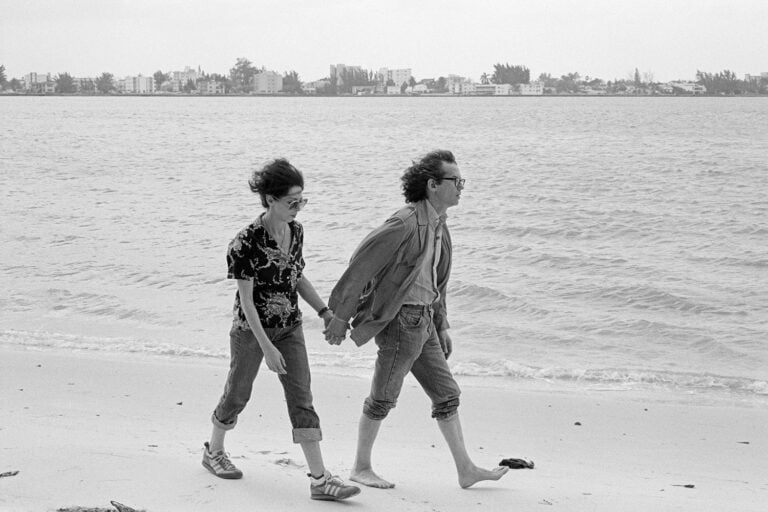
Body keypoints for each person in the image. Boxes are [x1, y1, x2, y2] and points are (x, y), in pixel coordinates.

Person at [325, 150, 509, 489]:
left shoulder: (439, 224)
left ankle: (465, 470)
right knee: (383, 396)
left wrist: (442, 324)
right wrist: (339, 316)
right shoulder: (406, 222)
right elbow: (361, 264)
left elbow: (437, 282)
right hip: (401, 322)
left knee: (447, 394)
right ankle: (360, 466)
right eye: (456, 181)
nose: (461, 188)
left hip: (424, 321)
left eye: (461, 181)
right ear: (433, 184)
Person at [203, 158, 360, 501]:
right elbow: (246, 301)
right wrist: (266, 348)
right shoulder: (245, 241)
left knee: (302, 398)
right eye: (292, 202)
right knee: (237, 394)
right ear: (270, 199)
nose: (298, 208)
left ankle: (320, 480)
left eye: (302, 200)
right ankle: (214, 451)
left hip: (290, 328)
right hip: (251, 331)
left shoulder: (296, 231)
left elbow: (296, 275)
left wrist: (324, 311)